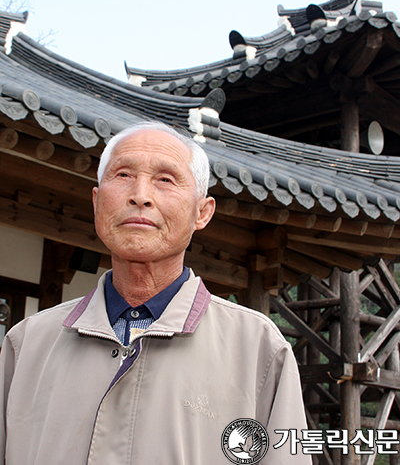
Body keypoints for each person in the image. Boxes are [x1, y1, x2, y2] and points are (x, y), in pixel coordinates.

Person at [0, 121, 311, 464]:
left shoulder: (259, 348)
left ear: (202, 212)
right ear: (97, 201)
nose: (140, 195)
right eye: (122, 176)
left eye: (165, 180)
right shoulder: (26, 343)